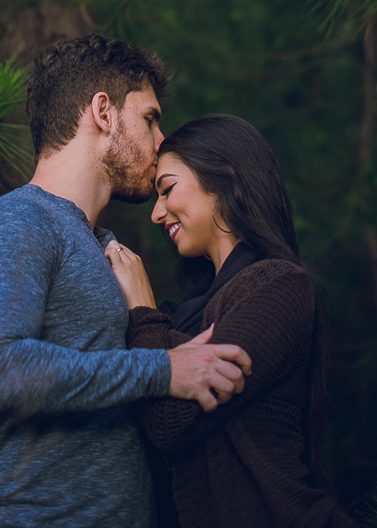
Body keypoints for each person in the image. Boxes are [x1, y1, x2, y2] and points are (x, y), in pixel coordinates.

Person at [0, 36, 253, 528]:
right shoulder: (15, 221)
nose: (161, 141)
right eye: (150, 118)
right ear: (103, 112)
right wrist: (162, 370)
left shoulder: (102, 245)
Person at [106, 113, 357, 528]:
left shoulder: (280, 288)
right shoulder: (193, 312)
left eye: (167, 189)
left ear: (224, 176)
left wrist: (143, 313)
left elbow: (169, 422)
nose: (157, 213)